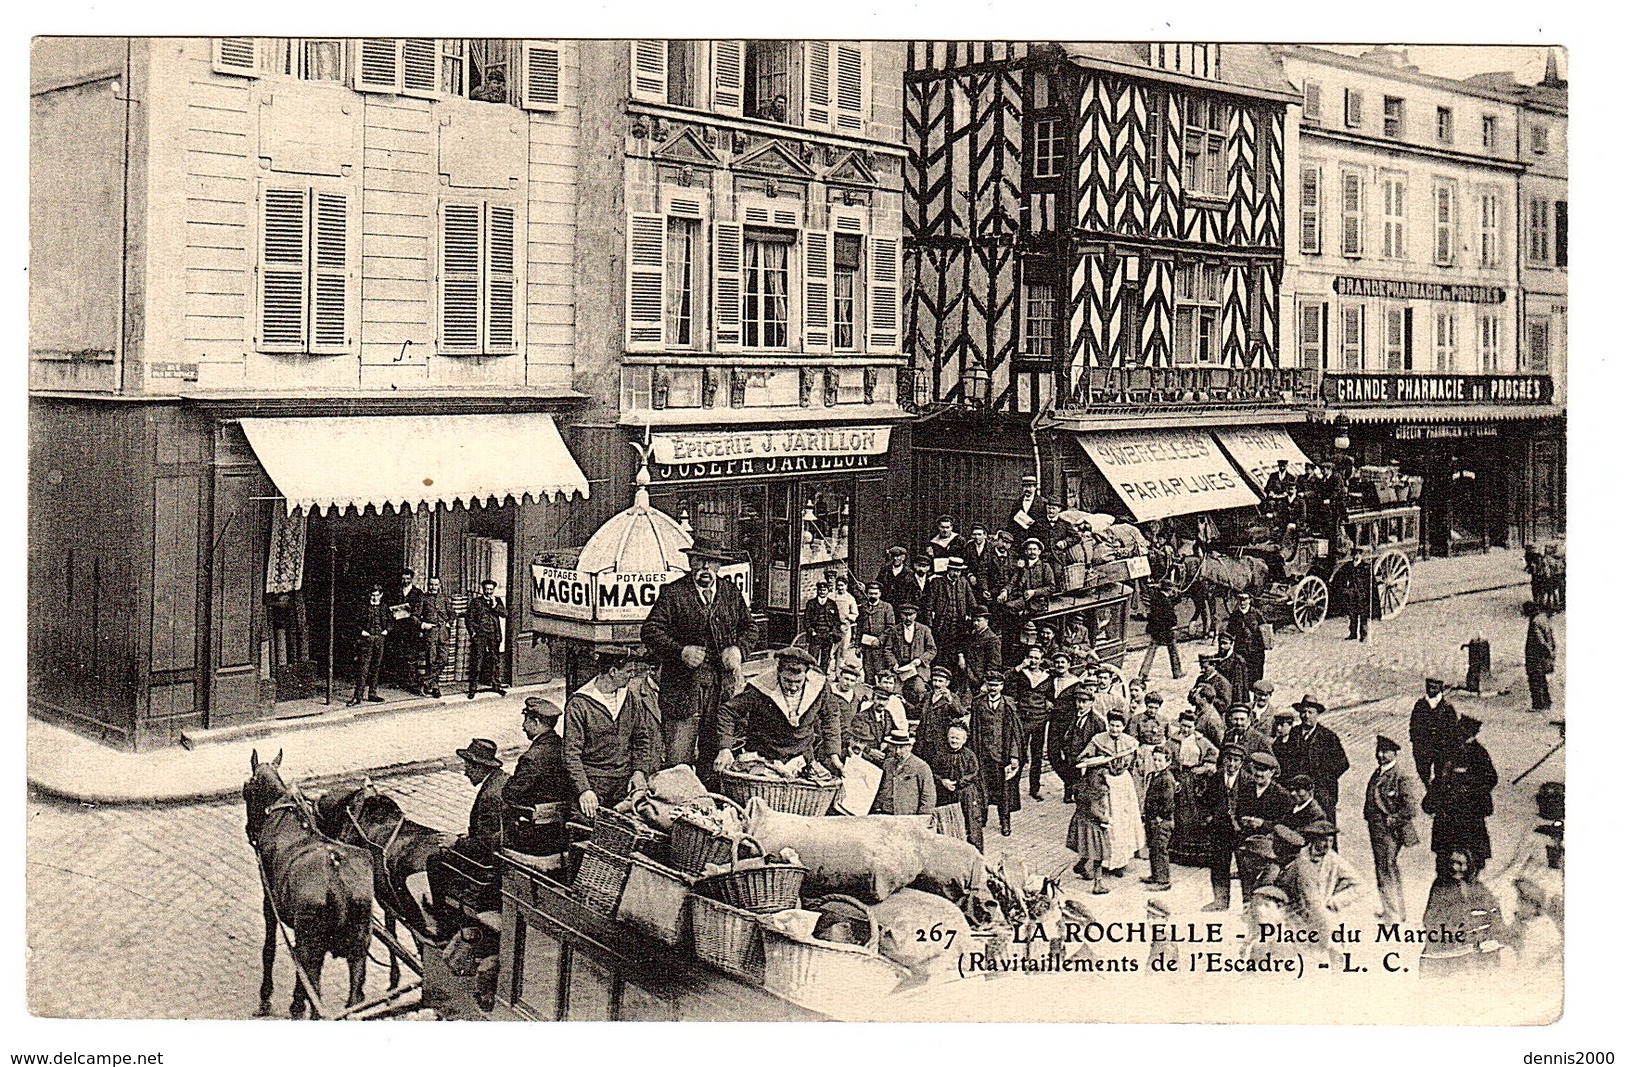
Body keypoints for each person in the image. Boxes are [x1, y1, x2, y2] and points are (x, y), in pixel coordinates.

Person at [642, 539, 759, 777]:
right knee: (678, 761)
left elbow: (750, 628)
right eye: (699, 561)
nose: (705, 567)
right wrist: (680, 651)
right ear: (690, 562)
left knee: (716, 758)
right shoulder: (673, 593)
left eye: (711, 562)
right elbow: (650, 630)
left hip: (720, 690)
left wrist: (738, 650)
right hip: (683, 690)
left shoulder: (730, 592)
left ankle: (708, 806)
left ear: (718, 566)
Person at [562, 647, 661, 820]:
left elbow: (641, 740)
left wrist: (639, 771)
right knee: (586, 830)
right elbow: (571, 754)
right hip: (593, 782)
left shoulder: (630, 698)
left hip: (624, 782)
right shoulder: (579, 704)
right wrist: (584, 790)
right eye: (628, 671)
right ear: (613, 671)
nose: (632, 676)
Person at [716, 646, 843, 777]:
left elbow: (831, 716)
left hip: (802, 759)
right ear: (778, 673)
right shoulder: (760, 687)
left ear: (807, 674)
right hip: (764, 757)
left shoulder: (819, 686)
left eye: (798, 682)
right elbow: (727, 711)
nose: (793, 687)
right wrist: (725, 748)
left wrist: (833, 755)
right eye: (787, 681)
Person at [426, 738, 510, 933]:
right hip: (499, 855)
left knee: (435, 861)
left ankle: (442, 921)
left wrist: (457, 843)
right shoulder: (501, 780)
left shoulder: (490, 796)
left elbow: (486, 844)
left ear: (479, 767)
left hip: (486, 867)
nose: (465, 772)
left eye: (468, 766)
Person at [1423, 715, 1499, 878]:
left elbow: (1491, 778)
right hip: (1447, 813)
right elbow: (1440, 779)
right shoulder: (1449, 750)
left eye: (1462, 731)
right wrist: (1430, 801)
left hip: (1469, 813)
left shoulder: (1479, 753)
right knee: (1445, 857)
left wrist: (1467, 784)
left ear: (1470, 733)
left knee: (1471, 856)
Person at [1419, 847, 1511, 976]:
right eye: (1456, 863)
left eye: (1464, 864)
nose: (1461, 868)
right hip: (1451, 944)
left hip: (1478, 944)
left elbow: (1493, 909)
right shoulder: (1440, 887)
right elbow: (1429, 919)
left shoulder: (1477, 885)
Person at [1278, 820, 1361, 961]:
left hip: (1321, 913)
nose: (1328, 845)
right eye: (1324, 841)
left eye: (1331, 841)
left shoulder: (1333, 860)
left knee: (1334, 947)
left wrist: (1336, 900)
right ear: (1314, 840)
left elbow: (1359, 885)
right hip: (1295, 915)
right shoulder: (1299, 859)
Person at [1364, 735, 1422, 922]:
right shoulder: (1378, 772)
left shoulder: (1400, 775)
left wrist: (1392, 820)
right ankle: (1394, 909)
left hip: (1390, 831)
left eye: (1385, 752)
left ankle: (1393, 913)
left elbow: (1411, 808)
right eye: (1379, 751)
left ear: (1394, 753)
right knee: (1385, 867)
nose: (1381, 755)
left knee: (1386, 868)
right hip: (1377, 830)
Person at [503, 698, 571, 855]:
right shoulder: (562, 747)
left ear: (536, 722)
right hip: (560, 828)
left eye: (526, 720)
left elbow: (510, 793)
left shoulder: (532, 757)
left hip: (534, 833)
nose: (523, 727)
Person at [1079, 710, 1143, 875]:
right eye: (1112, 725)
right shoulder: (1098, 740)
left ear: (1123, 726)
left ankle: (1120, 862)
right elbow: (1085, 756)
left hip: (1123, 784)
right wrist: (1088, 759)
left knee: (1123, 821)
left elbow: (1138, 763)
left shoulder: (1131, 742)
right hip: (1105, 784)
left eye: (1118, 726)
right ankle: (1106, 861)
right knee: (1108, 820)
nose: (1115, 729)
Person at [969, 671, 1024, 836]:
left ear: (1002, 686)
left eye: (997, 685)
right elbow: (973, 730)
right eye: (991, 684)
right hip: (983, 755)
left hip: (1002, 756)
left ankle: (1005, 822)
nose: (993, 688)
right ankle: (982, 817)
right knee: (982, 788)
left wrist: (1014, 757)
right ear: (986, 684)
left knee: (1004, 792)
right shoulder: (978, 704)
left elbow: (1015, 734)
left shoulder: (1008, 705)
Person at [1283, 694, 1349, 825]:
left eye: (1310, 712)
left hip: (1321, 793)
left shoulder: (1329, 737)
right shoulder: (1294, 733)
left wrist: (1323, 779)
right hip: (1298, 793)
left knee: (1323, 829)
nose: (1306, 716)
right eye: (1303, 712)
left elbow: (1343, 764)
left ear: (1317, 714)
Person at [1168, 710, 1219, 868]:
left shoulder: (1201, 740)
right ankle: (1180, 853)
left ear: (1195, 726)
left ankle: (1198, 855)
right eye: (1183, 726)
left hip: (1197, 780)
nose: (1186, 729)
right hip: (1180, 779)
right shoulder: (1173, 740)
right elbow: (1165, 755)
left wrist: (1204, 767)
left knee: (1198, 815)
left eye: (1189, 726)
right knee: (1181, 813)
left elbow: (1214, 753)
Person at [1202, 743, 1249, 911]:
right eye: (1229, 759)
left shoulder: (1247, 780)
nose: (1232, 764)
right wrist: (1210, 817)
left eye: (1236, 760)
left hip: (1240, 831)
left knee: (1245, 868)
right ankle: (1220, 901)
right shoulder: (1216, 778)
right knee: (1219, 865)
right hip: (1220, 830)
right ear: (1223, 760)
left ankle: (1247, 904)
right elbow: (1207, 800)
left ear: (1242, 763)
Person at [927, 722, 985, 851]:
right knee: (946, 824)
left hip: (966, 795)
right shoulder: (940, 754)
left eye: (957, 738)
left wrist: (959, 783)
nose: (954, 741)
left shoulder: (969, 755)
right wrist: (942, 781)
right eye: (952, 737)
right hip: (946, 794)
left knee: (971, 825)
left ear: (964, 740)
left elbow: (974, 773)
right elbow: (932, 772)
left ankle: (975, 855)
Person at [1007, 645, 1052, 801]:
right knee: (1018, 754)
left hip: (1040, 719)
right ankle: (1013, 791)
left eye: (1036, 658)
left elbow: (1051, 695)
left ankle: (1035, 788)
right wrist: (1020, 667)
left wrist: (1048, 702)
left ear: (1041, 660)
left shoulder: (1047, 677)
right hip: (1023, 719)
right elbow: (1006, 680)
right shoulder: (1021, 674)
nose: (1033, 661)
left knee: (1037, 755)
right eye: (1031, 657)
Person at [924, 557, 976, 675]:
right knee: (940, 654)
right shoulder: (937, 583)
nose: (956, 574)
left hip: (959, 626)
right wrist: (930, 626)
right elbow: (928, 606)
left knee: (957, 654)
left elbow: (972, 603)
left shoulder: (963, 583)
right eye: (953, 570)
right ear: (948, 569)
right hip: (941, 626)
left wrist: (972, 619)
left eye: (958, 571)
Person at [883, 602, 937, 710]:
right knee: (894, 691)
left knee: (919, 689)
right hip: (899, 670)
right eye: (905, 614)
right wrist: (894, 663)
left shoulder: (924, 630)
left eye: (911, 615)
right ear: (900, 615)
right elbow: (888, 649)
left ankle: (918, 714)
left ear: (915, 615)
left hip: (918, 669)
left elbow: (932, 650)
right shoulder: (895, 630)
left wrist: (920, 660)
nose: (908, 617)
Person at [1067, 765, 1112, 894]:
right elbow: (1094, 811)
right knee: (1099, 853)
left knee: (1088, 848)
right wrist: (1106, 819)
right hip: (1093, 825)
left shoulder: (1081, 787)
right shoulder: (1097, 791)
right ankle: (1098, 884)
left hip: (1080, 822)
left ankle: (1080, 866)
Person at [1409, 677, 1459, 789]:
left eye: (1435, 684)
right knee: (1423, 771)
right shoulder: (1420, 705)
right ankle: (1428, 786)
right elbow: (1413, 725)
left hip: (1442, 747)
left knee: (1441, 775)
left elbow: (1453, 729)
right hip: (1423, 747)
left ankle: (1437, 793)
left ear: (1441, 687)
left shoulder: (1447, 708)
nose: (1431, 687)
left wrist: (1449, 746)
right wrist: (1416, 741)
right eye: (1429, 684)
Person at [848, 666, 910, 758]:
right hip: (866, 756)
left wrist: (886, 743)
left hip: (884, 755)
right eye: (879, 699)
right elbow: (854, 741)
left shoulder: (888, 715)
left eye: (885, 700)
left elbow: (893, 733)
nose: (881, 703)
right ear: (873, 699)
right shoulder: (861, 716)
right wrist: (870, 751)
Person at [873, 729, 936, 816]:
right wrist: (877, 808)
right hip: (886, 815)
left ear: (910, 747)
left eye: (901, 747)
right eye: (894, 747)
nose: (897, 751)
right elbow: (880, 789)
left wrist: (922, 819)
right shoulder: (887, 764)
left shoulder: (921, 767)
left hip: (908, 817)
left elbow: (928, 797)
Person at [1141, 745, 1177, 891]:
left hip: (1161, 821)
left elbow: (1169, 803)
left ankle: (1163, 881)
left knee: (1160, 849)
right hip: (1152, 819)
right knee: (1153, 847)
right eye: (1154, 759)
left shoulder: (1167, 779)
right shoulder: (1154, 775)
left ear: (1168, 762)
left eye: (1160, 760)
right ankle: (1155, 875)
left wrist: (1160, 818)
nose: (1157, 763)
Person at [348, 585, 391, 706]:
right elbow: (354, 622)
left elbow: (390, 621)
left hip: (379, 639)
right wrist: (361, 631)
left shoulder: (384, 607)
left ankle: (372, 693)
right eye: (373, 595)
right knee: (363, 668)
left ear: (381, 595)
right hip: (367, 640)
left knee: (375, 667)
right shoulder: (363, 607)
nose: (374, 598)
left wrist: (386, 630)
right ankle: (358, 696)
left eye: (377, 595)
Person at [464, 579, 506, 699]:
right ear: (483, 589)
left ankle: (496, 686)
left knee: (495, 661)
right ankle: (472, 689)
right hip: (480, 636)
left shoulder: (497, 601)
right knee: (477, 662)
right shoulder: (476, 602)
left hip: (494, 635)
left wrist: (494, 605)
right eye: (486, 589)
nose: (488, 592)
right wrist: (473, 634)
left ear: (493, 590)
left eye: (490, 589)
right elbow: (469, 619)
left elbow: (504, 614)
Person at [915, 664, 964, 767]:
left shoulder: (952, 697)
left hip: (940, 744)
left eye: (940, 681)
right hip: (923, 742)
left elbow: (959, 713)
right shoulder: (928, 696)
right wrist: (904, 703)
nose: (936, 684)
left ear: (947, 683)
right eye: (934, 680)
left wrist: (949, 699)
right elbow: (916, 711)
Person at [385, 568, 424, 693]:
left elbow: (419, 610)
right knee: (397, 654)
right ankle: (399, 681)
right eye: (403, 578)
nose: (405, 581)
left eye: (408, 578)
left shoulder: (418, 593)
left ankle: (412, 683)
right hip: (397, 628)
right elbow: (389, 606)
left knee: (411, 656)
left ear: (412, 579)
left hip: (411, 628)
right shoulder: (395, 592)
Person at [416, 575, 454, 699]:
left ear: (439, 586)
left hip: (443, 633)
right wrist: (422, 624)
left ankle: (425, 681)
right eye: (431, 584)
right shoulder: (422, 598)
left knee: (443, 659)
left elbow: (452, 613)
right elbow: (414, 616)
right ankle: (434, 687)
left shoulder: (444, 598)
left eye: (436, 585)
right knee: (431, 661)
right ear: (428, 585)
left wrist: (449, 622)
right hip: (430, 633)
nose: (433, 587)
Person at [1000, 538, 1057, 620]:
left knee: (1010, 608)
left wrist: (1034, 592)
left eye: (1034, 549)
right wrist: (1005, 591)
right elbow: (1012, 582)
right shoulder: (1022, 567)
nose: (1032, 552)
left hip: (1037, 602)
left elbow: (1051, 588)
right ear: (1026, 552)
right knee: (1003, 606)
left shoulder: (1045, 567)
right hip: (1021, 599)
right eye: (1029, 549)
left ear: (1039, 552)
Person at [1139, 577, 1184, 681]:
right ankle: (1177, 672)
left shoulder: (1156, 598)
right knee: (1173, 651)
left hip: (1155, 629)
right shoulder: (1166, 601)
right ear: (1170, 589)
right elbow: (1171, 617)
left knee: (1151, 651)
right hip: (1166, 630)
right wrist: (1173, 624)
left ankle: (1143, 674)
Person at [1223, 591, 1268, 690]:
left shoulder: (1256, 613)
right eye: (1240, 600)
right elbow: (1230, 632)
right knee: (1241, 671)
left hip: (1256, 649)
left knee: (1257, 671)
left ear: (1249, 600)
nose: (1242, 602)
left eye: (1245, 599)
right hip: (1241, 649)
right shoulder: (1235, 615)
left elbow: (1265, 629)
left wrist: (1266, 643)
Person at [826, 657, 871, 756]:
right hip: (831, 737)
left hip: (848, 739)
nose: (848, 683)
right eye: (846, 679)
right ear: (840, 677)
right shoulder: (829, 694)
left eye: (852, 681)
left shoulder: (855, 697)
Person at [854, 582, 897, 684]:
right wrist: (857, 646)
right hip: (867, 648)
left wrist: (880, 640)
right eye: (870, 593)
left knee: (882, 673)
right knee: (868, 673)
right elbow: (859, 628)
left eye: (875, 593)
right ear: (867, 594)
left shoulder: (887, 607)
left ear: (880, 594)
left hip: (881, 647)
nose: (873, 596)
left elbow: (890, 627)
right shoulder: (863, 608)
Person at [960, 606, 1003, 699]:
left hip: (979, 681)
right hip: (967, 677)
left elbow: (994, 664)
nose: (975, 623)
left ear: (986, 621)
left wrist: (986, 683)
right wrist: (961, 656)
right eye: (974, 620)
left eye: (979, 620)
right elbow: (963, 648)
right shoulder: (973, 635)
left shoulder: (992, 639)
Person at [1523, 601, 1556, 715]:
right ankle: (1547, 701)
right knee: (1542, 679)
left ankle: (1538, 704)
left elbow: (1540, 640)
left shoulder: (1535, 622)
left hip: (1535, 656)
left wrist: (1546, 651)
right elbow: (1550, 637)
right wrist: (1552, 652)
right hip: (1543, 656)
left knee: (1535, 679)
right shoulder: (1543, 619)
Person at [801, 581, 841, 672]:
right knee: (812, 658)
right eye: (820, 590)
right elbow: (806, 619)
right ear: (817, 591)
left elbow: (836, 621)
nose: (822, 592)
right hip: (816, 634)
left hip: (828, 634)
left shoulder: (832, 604)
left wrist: (832, 632)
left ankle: (822, 677)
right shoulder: (811, 603)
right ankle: (811, 676)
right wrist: (811, 631)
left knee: (825, 658)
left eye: (824, 590)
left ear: (828, 591)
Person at [964, 523, 1003, 609]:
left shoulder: (992, 547)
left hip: (990, 582)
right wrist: (969, 575)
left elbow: (998, 568)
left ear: (985, 535)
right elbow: (964, 565)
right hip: (973, 582)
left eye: (979, 534)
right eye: (974, 534)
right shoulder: (968, 547)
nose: (977, 537)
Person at [1345, 544, 1374, 642]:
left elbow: (1371, 583)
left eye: (1358, 554)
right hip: (1352, 594)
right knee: (1352, 615)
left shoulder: (1366, 567)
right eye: (1354, 554)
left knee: (1363, 616)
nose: (1356, 556)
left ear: (1361, 556)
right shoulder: (1349, 566)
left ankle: (1364, 635)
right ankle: (1352, 634)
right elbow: (1342, 578)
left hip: (1362, 595)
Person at [1007, 473, 1046, 541]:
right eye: (1025, 486)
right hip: (1019, 539)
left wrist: (1035, 522)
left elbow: (1046, 522)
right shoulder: (1017, 503)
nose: (1027, 489)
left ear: (1035, 487)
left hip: (1036, 539)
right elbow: (1011, 522)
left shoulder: (1043, 503)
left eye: (1030, 486)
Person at [830, 574, 859, 663]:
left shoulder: (850, 598)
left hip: (845, 627)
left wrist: (847, 616)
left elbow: (855, 613)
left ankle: (840, 668)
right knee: (831, 649)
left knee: (843, 649)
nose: (840, 588)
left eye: (842, 585)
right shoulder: (831, 596)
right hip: (832, 626)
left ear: (846, 586)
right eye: (838, 585)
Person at [1195, 653, 1235, 719]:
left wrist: (1210, 698)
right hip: (1199, 715)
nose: (1202, 670)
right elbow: (1192, 699)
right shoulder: (1200, 679)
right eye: (1201, 667)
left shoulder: (1222, 682)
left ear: (1213, 665)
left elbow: (1225, 706)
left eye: (1205, 668)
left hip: (1216, 717)